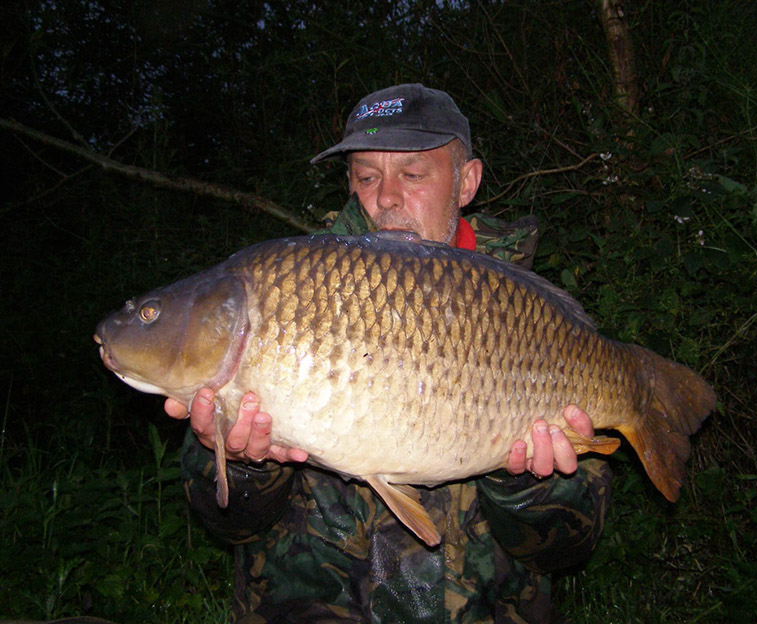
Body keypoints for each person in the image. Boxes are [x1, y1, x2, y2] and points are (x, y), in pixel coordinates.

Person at [166, 84, 612, 623]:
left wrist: (520, 483)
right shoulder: (288, 291)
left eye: (414, 173)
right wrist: (243, 467)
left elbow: (568, 549)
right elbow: (227, 524)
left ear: (467, 181)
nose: (386, 198)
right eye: (367, 176)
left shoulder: (527, 314)